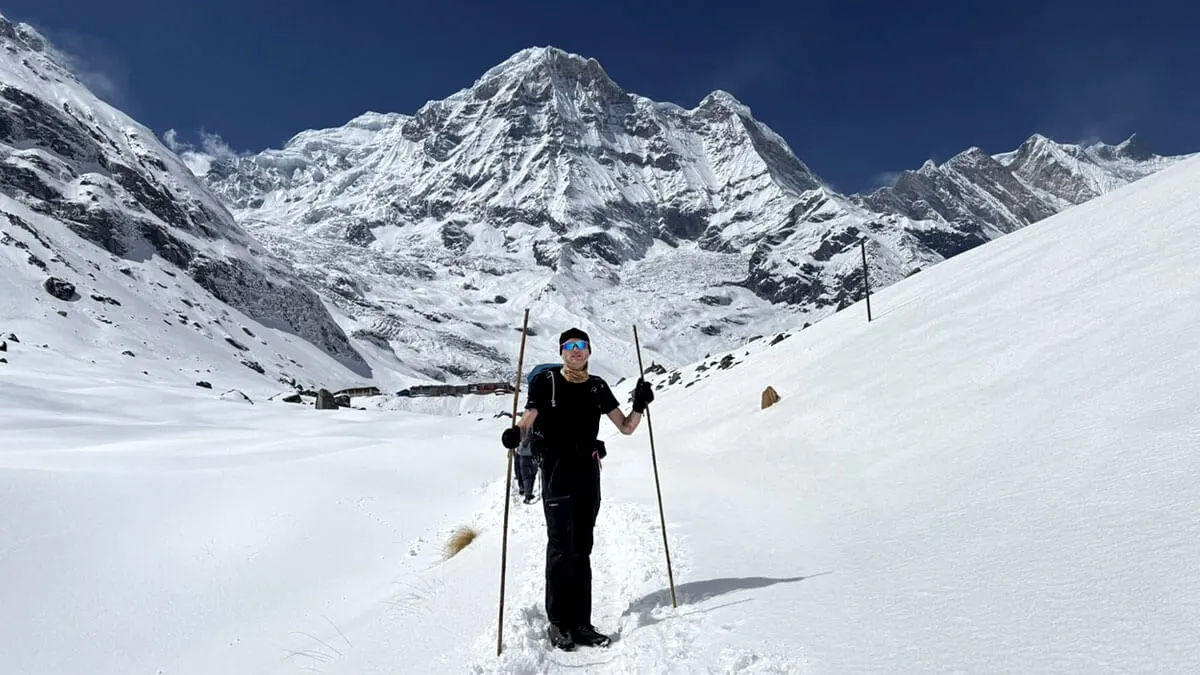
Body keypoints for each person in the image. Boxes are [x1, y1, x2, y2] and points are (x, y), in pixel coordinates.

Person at [501, 327, 655, 651]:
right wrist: (517, 433)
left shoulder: (598, 386)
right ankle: (558, 623)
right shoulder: (547, 382)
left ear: (588, 351)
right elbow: (530, 416)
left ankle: (582, 624)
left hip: (588, 473)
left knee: (582, 548)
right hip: (556, 472)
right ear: (561, 351)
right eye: (570, 346)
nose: (576, 351)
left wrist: (639, 404)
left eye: (581, 345)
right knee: (559, 546)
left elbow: (625, 427)